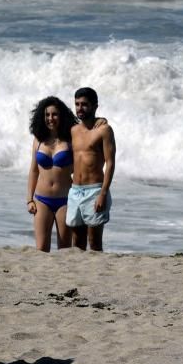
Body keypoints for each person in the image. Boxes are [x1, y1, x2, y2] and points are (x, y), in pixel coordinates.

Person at [67, 87, 116, 252]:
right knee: (77, 242)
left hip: (94, 190)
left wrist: (103, 193)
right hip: (75, 191)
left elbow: (110, 163)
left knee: (94, 242)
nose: (80, 108)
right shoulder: (73, 130)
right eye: (77, 104)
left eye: (84, 104)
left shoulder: (104, 130)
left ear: (95, 106)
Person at [26, 96, 77, 252]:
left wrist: (100, 120)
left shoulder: (71, 139)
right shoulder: (38, 139)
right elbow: (34, 171)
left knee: (64, 248)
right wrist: (29, 199)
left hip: (65, 200)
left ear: (61, 116)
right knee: (41, 249)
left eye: (54, 114)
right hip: (41, 200)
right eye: (47, 115)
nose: (50, 118)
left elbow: (88, 131)